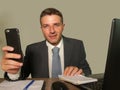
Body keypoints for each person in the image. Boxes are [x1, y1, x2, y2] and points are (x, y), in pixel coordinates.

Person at [1, 8, 91, 80]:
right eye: (46, 26)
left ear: (63, 26)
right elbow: (22, 75)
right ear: (41, 29)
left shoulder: (77, 45)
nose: (52, 31)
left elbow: (87, 71)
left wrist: (80, 74)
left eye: (56, 25)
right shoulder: (32, 49)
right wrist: (14, 72)